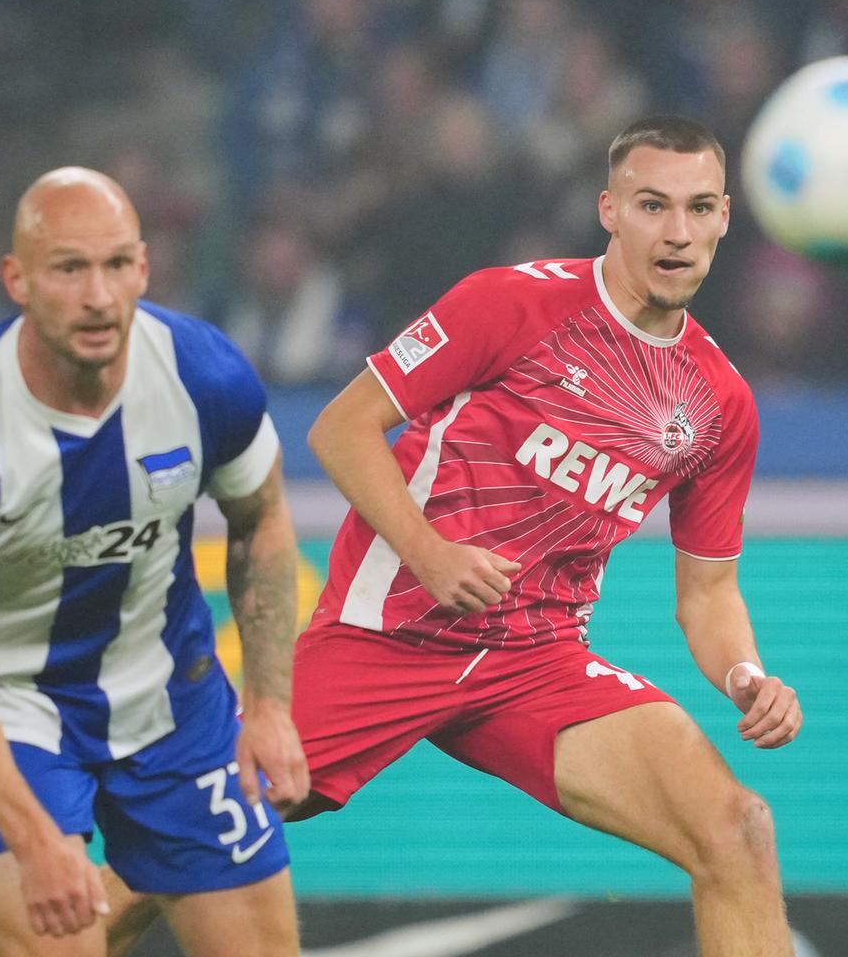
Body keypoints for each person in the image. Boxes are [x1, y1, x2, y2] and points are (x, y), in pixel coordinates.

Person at [294, 115, 800, 956]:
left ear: (723, 219)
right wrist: (430, 553)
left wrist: (746, 675)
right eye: (652, 205)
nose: (676, 232)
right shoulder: (511, 302)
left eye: (698, 208)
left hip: (535, 660)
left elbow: (709, 593)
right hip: (392, 632)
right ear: (609, 211)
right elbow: (341, 428)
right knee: (208, 828)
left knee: (737, 830)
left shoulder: (720, 401)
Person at [0, 167, 307, 956]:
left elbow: (262, 522)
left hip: (175, 704)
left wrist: (270, 705)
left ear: (144, 267)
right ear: (17, 281)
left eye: (116, 265)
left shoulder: (204, 374)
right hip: (15, 711)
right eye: (69, 269)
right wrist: (35, 841)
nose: (99, 296)